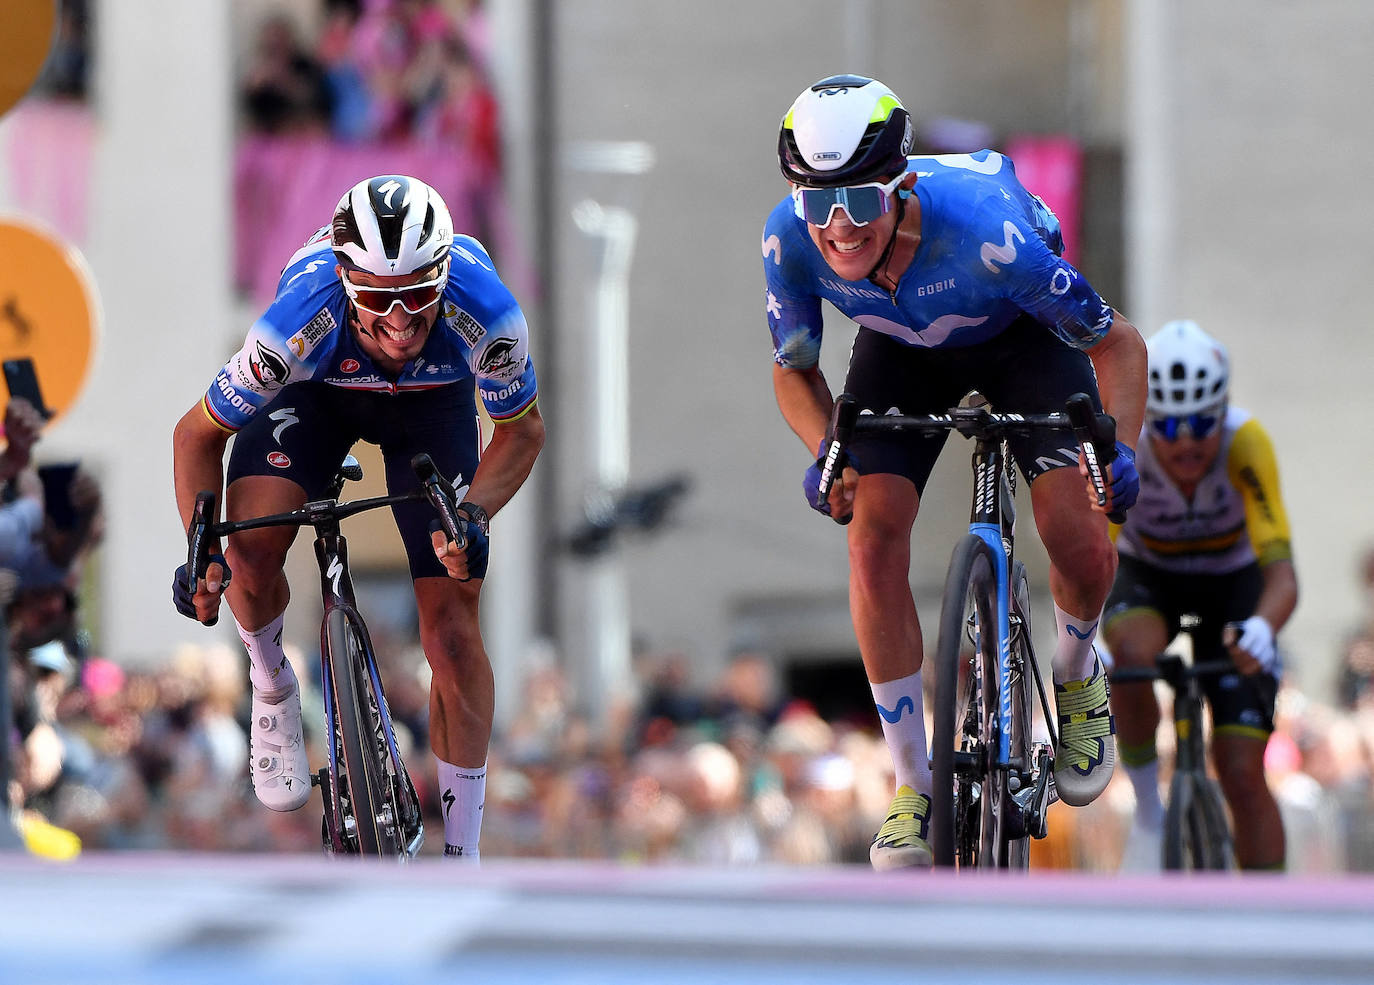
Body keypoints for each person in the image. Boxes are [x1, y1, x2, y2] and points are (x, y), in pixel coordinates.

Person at [763, 75, 1145, 870]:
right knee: (869, 538)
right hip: (898, 351)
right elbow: (793, 370)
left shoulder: (987, 231)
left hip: (1020, 337)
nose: (838, 228)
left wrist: (1121, 450)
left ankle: (1078, 676)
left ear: (901, 185)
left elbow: (1118, 346)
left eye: (860, 203)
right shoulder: (789, 241)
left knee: (1078, 535)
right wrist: (822, 452)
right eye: (816, 203)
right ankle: (912, 785)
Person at [172, 174, 544, 862]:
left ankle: (463, 854)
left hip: (431, 405)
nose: (400, 321)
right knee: (251, 548)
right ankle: (270, 678)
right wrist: (202, 548)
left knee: (453, 629)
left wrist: (474, 515)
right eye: (377, 298)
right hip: (317, 392)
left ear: (443, 275)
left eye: (419, 295)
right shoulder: (293, 325)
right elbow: (195, 435)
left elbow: (521, 431)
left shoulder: (489, 315)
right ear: (346, 279)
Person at [1102, 319, 1296, 871]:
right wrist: (1088, 637)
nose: (1185, 441)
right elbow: (1095, 557)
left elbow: (1282, 574)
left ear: (1223, 411)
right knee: (1131, 657)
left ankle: (1270, 922)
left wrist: (1261, 628)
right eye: (1168, 427)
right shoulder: (1126, 442)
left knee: (1240, 769)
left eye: (1200, 423)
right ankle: (1148, 812)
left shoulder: (1246, 441)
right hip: (1148, 576)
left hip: (1232, 588)